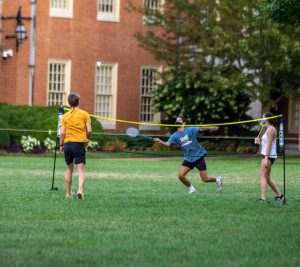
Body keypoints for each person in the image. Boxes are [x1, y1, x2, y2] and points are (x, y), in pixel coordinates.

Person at [154, 116, 222, 194]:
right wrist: (160, 141)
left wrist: (211, 127)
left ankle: (217, 179)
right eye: (176, 120)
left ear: (184, 123)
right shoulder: (174, 135)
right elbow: (168, 144)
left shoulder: (190, 130)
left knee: (205, 179)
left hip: (198, 156)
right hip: (188, 158)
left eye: (179, 120)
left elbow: (201, 128)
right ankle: (192, 189)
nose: (177, 121)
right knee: (181, 176)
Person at [59, 92, 92, 199]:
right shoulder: (84, 114)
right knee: (80, 170)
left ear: (69, 103)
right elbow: (89, 130)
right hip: (79, 144)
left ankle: (68, 194)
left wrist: (61, 144)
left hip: (68, 144)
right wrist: (87, 139)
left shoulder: (65, 116)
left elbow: (62, 133)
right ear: (79, 102)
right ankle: (80, 190)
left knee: (69, 169)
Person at [254, 112, 284, 202]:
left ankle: (263, 198)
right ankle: (280, 195)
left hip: (269, 156)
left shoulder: (271, 129)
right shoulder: (268, 128)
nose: (262, 119)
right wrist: (259, 142)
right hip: (267, 155)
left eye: (263, 118)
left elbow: (270, 145)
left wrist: (266, 158)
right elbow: (266, 143)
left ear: (268, 119)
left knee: (262, 177)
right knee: (267, 178)